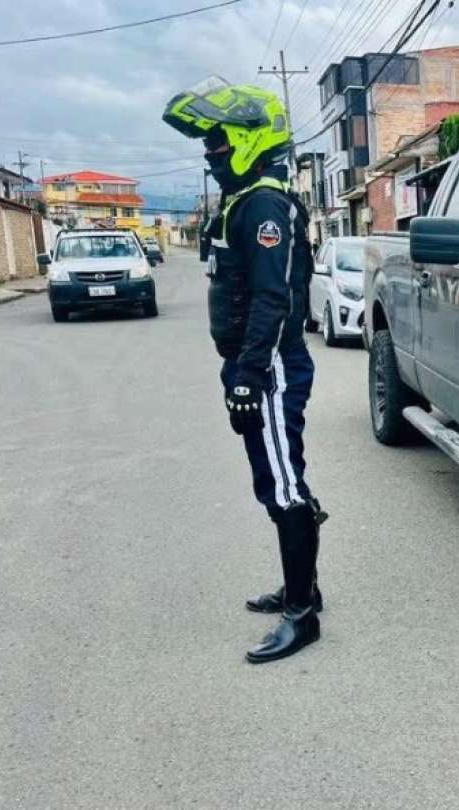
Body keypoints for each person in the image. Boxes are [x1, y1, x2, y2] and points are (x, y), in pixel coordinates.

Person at [162, 77, 326, 663]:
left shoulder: (263, 205)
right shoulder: (245, 199)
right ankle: (303, 585)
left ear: (246, 140)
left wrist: (249, 376)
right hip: (258, 364)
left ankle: (301, 615)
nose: (210, 154)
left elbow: (273, 298)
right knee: (280, 478)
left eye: (217, 144)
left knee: (280, 486)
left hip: (273, 366)